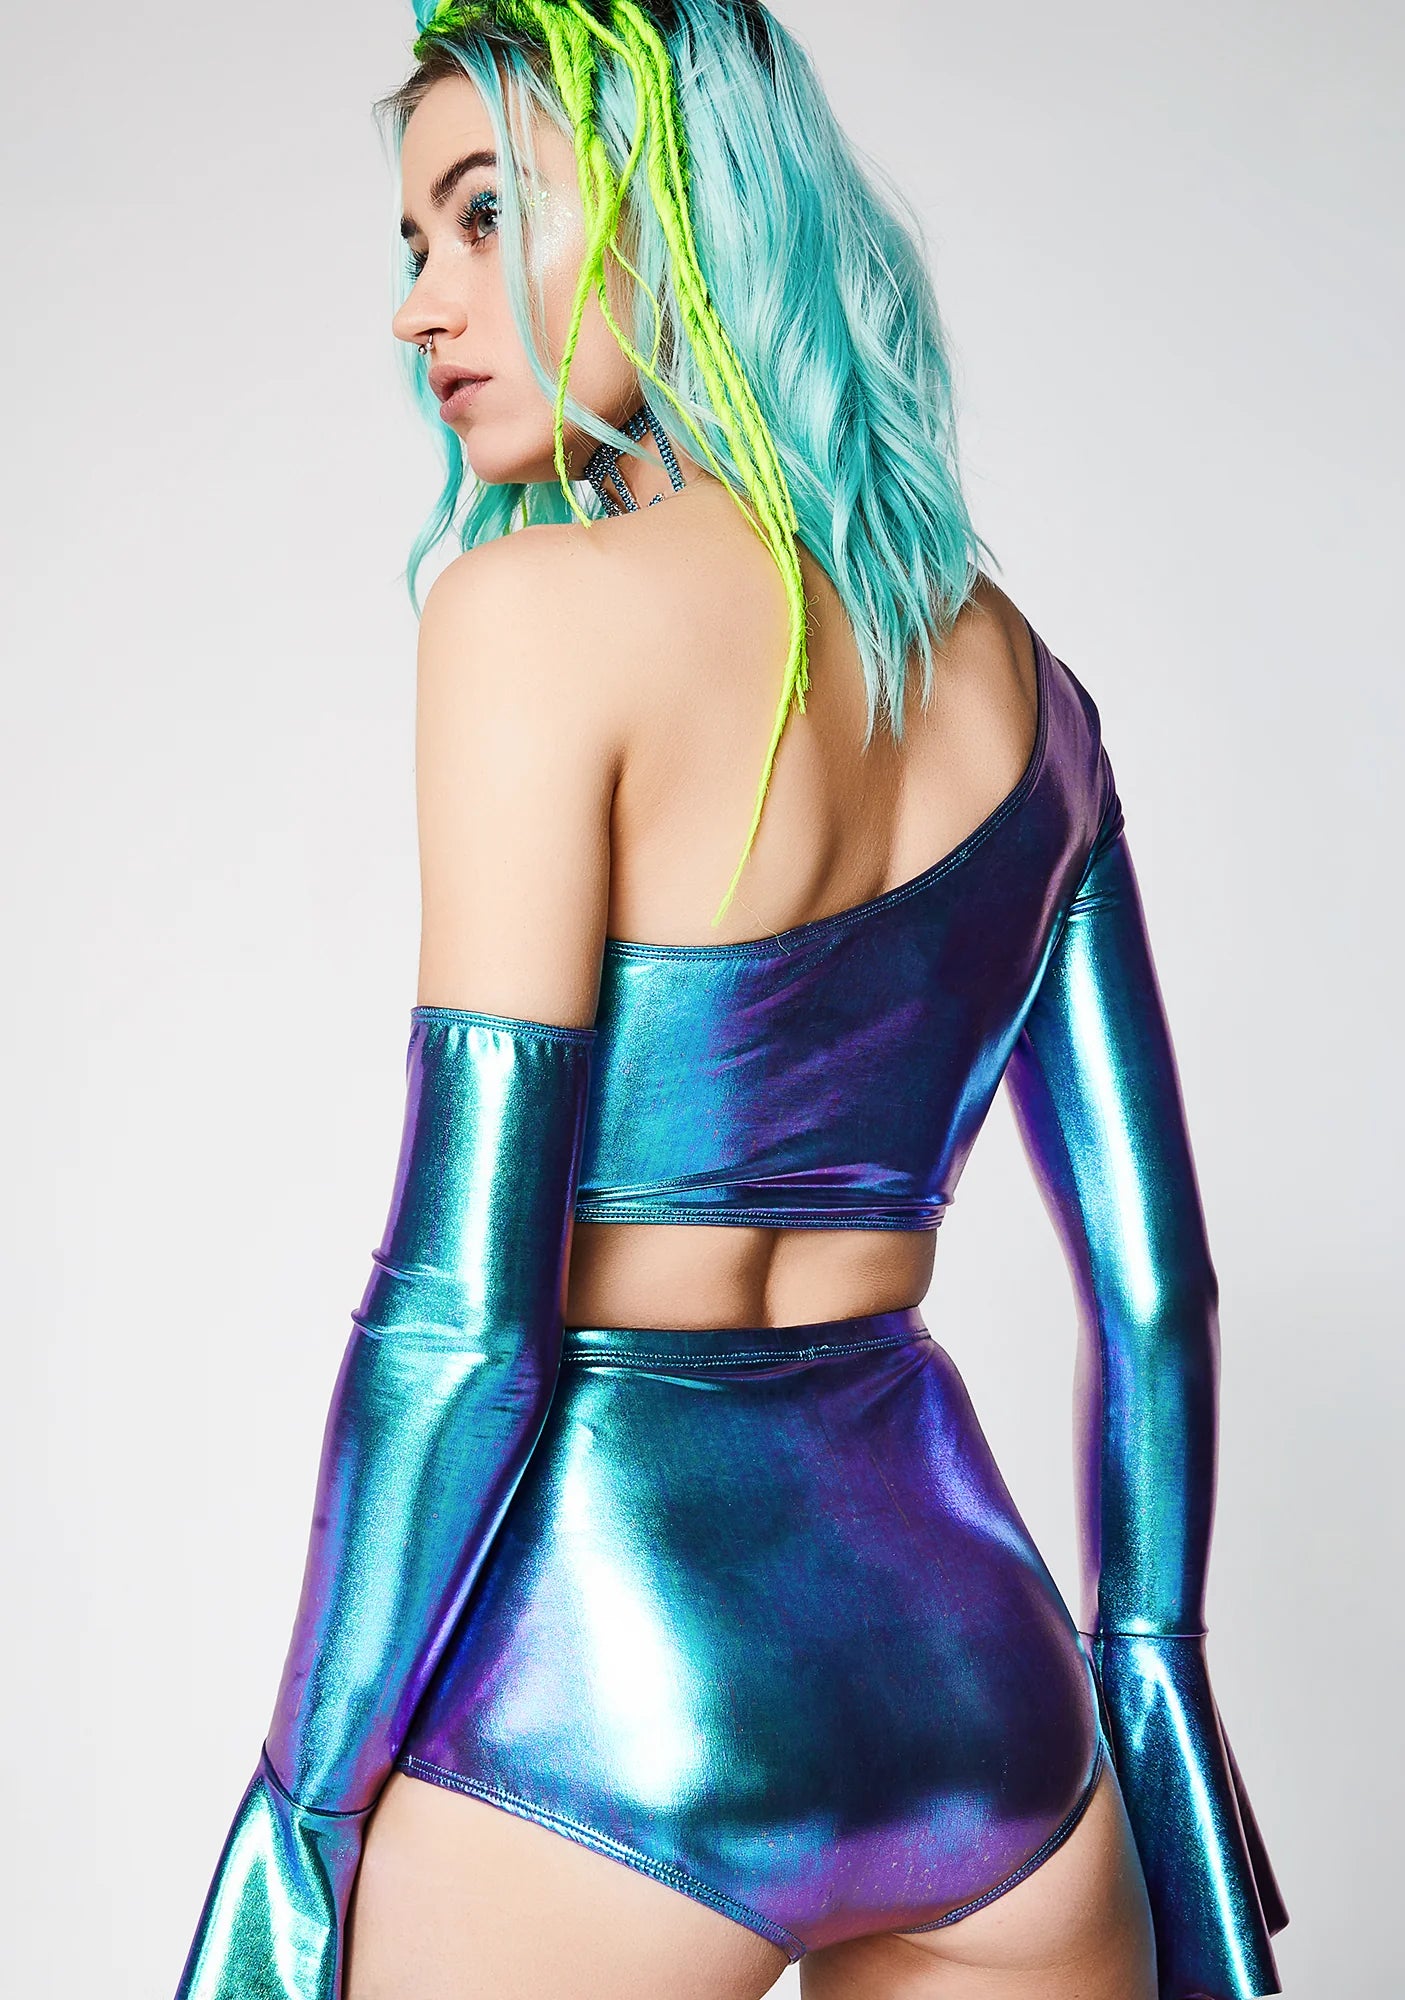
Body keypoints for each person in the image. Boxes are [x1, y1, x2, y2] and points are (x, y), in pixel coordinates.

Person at [171, 3, 1289, 1997]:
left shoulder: (530, 619)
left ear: (675, 204)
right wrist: (1155, 1690)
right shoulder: (1027, 689)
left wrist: (304, 1800)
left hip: (598, 1701)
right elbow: (1154, 1295)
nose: (420, 305)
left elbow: (462, 1313)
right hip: (986, 1706)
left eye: (482, 213)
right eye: (410, 242)